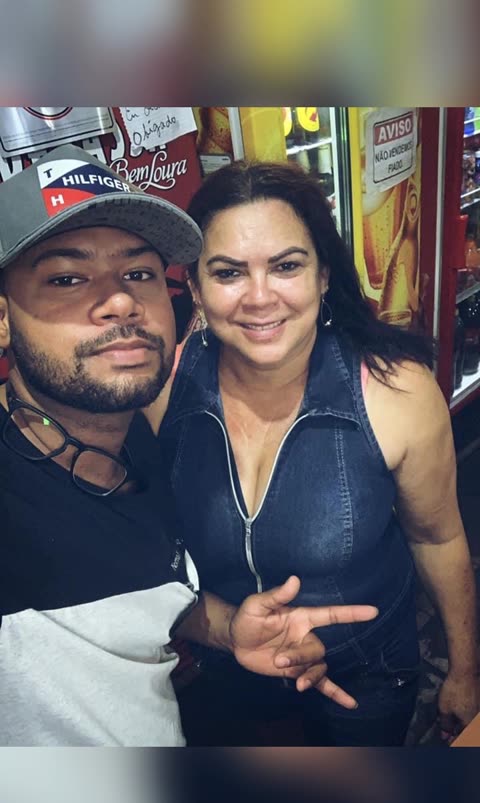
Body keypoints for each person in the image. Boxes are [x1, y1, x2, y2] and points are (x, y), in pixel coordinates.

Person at [0, 143, 378, 746]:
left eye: (139, 274)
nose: (121, 301)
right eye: (67, 278)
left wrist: (228, 628)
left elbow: (139, 581)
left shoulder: (136, 429)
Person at [157, 159, 479, 746]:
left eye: (286, 266)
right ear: (197, 288)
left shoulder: (398, 393)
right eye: (228, 272)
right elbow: (139, 547)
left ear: (323, 275)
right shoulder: (163, 388)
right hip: (231, 663)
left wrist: (464, 671)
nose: (260, 297)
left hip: (367, 676)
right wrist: (218, 630)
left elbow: (438, 539)